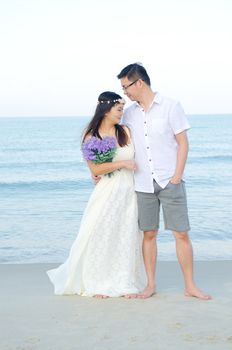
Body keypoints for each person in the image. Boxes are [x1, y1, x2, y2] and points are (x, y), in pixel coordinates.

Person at [116, 63, 211, 300]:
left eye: (126, 86)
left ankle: (190, 285)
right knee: (149, 234)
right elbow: (117, 142)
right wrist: (98, 167)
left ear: (139, 83)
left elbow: (183, 143)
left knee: (181, 234)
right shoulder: (128, 114)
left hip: (170, 179)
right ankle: (150, 285)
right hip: (142, 183)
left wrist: (176, 177)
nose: (124, 92)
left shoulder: (171, 106)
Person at [47, 91, 146, 298]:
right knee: (101, 233)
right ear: (106, 110)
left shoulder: (126, 131)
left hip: (129, 192)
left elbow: (143, 156)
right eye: (118, 110)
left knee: (125, 234)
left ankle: (124, 280)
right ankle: (97, 282)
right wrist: (122, 163)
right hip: (107, 191)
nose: (121, 114)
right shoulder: (91, 136)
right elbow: (96, 170)